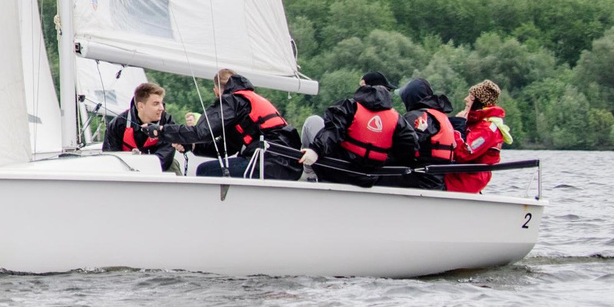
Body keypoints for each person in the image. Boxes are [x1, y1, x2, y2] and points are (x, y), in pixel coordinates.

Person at [171, 69, 301, 179]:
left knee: (204, 171)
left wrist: (164, 132)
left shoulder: (235, 102)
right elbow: (225, 146)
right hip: (289, 164)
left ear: (216, 92)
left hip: (268, 163)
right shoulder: (250, 101)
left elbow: (204, 132)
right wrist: (193, 146)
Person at [308, 72, 421, 186]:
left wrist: (315, 150)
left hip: (337, 173)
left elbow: (332, 131)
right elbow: (410, 147)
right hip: (370, 179)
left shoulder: (349, 107)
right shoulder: (397, 119)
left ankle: (310, 175)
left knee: (312, 122)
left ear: (363, 87)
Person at [398, 77, 461, 190]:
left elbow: (403, 147)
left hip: (419, 180)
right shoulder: (440, 116)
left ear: (410, 98)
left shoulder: (416, 117)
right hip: (437, 181)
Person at [101, 82, 178, 170]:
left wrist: (144, 168)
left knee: (173, 165)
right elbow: (111, 157)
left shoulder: (167, 122)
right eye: (156, 104)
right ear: (141, 106)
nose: (161, 108)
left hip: (158, 167)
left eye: (162, 103)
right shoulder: (117, 125)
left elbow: (165, 156)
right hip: (126, 169)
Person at [452, 80, 510, 194]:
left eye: (471, 97)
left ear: (479, 102)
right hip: (463, 173)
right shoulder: (477, 124)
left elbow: (463, 154)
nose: (466, 99)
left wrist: (458, 126)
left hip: (470, 178)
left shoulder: (487, 130)